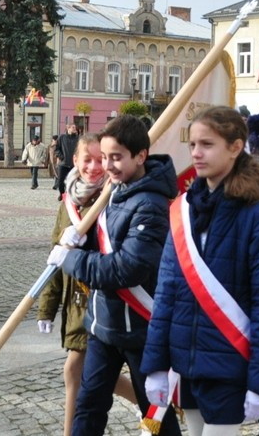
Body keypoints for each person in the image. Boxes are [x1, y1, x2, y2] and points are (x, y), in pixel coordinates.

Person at [140, 106, 259, 435]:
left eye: (207, 144)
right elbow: (166, 292)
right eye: (192, 145)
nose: (196, 153)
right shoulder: (185, 208)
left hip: (230, 362)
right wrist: (156, 365)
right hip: (187, 363)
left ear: (235, 147)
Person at [46, 116, 180, 436]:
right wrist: (80, 238)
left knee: (156, 415)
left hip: (140, 330)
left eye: (116, 157)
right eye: (104, 157)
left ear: (140, 156)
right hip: (103, 325)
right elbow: (105, 243)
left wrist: (73, 259)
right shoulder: (114, 189)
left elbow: (125, 268)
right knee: (89, 405)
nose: (108, 165)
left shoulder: (150, 204)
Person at [36, 133, 137, 436]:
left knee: (76, 371)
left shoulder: (115, 196)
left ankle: (162, 408)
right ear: (75, 161)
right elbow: (56, 258)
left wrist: (85, 242)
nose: (94, 166)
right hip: (74, 302)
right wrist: (46, 308)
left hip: (100, 301)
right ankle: (162, 407)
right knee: (84, 374)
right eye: (87, 159)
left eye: (100, 159)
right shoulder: (68, 199)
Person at [54, 123, 80, 196]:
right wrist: (61, 156)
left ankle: (69, 195)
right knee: (60, 181)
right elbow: (57, 149)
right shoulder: (62, 137)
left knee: (72, 181)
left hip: (73, 164)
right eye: (73, 127)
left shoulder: (78, 138)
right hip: (63, 163)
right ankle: (61, 193)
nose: (74, 128)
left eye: (75, 127)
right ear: (68, 128)